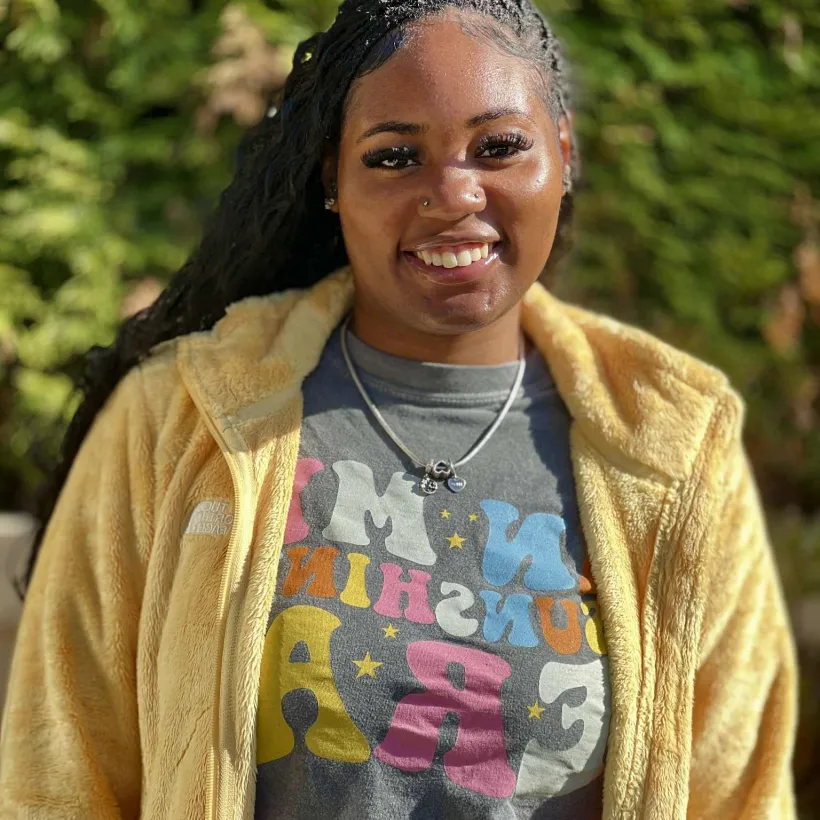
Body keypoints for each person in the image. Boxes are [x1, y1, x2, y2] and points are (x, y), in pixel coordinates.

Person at [0, 0, 799, 817]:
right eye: (393, 157)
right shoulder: (181, 418)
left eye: (498, 148)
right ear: (332, 183)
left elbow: (737, 792)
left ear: (562, 154)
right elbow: (61, 772)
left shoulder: (673, 446)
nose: (453, 194)